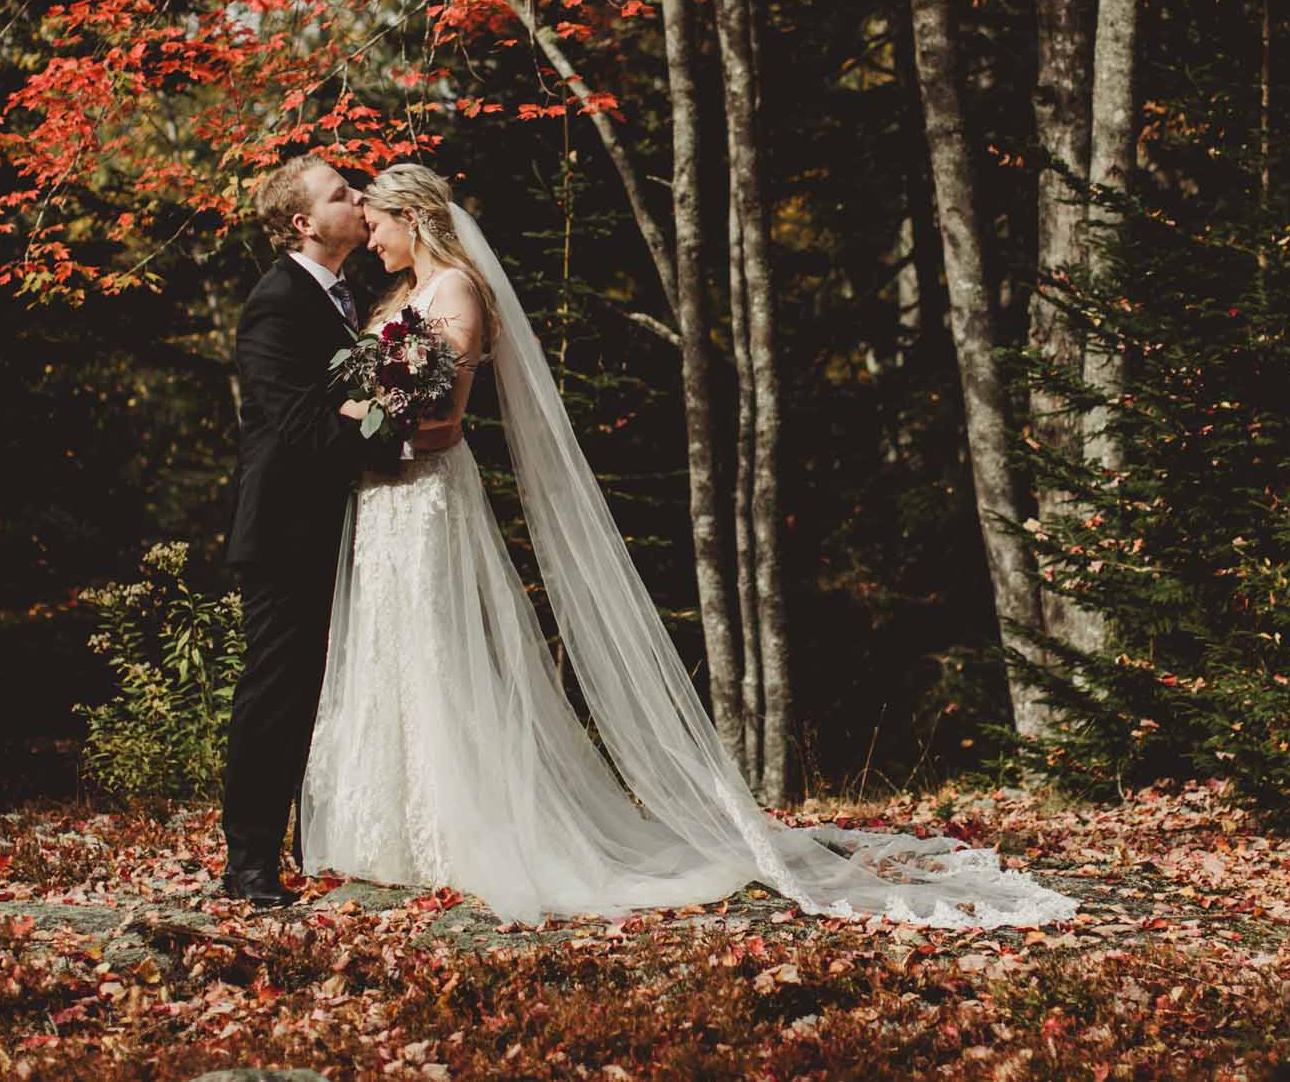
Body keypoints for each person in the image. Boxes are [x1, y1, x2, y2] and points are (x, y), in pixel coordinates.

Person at [296, 162, 1075, 928]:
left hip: (426, 492)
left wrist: (378, 428)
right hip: (382, 497)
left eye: (376, 224)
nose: (369, 239)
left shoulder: (457, 289)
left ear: (414, 217)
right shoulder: (397, 297)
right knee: (383, 646)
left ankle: (450, 830)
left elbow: (448, 418)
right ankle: (385, 828)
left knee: (433, 647)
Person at [216, 156, 456, 907]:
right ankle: (249, 861)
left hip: (347, 522)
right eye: (340, 194)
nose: (357, 200)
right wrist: (395, 438)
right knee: (277, 691)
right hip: (285, 529)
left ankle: (316, 840)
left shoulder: (353, 296)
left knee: (332, 690)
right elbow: (293, 425)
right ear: (303, 223)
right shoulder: (275, 302)